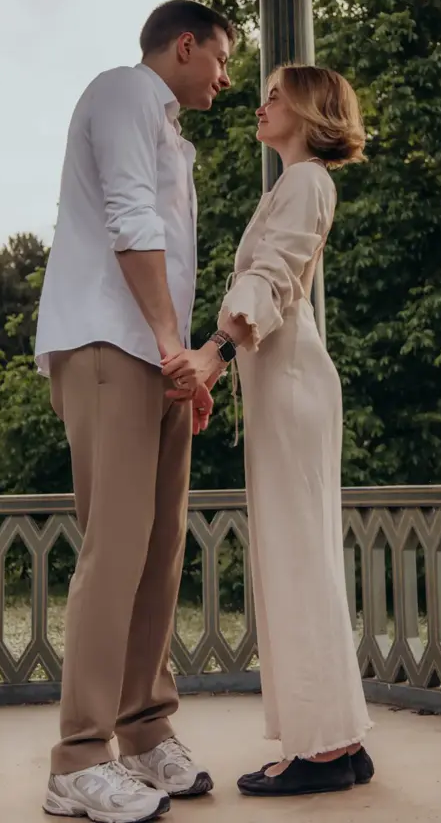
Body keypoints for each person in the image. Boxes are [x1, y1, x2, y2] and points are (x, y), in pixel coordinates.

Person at [35, 0, 235, 823]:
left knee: (158, 551)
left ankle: (146, 730)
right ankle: (79, 759)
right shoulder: (122, 91)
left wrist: (182, 367)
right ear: (184, 46)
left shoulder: (172, 135)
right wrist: (168, 345)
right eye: (221, 58)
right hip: (107, 345)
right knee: (115, 550)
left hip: (154, 358)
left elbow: (167, 253)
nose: (227, 77)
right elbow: (128, 219)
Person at [162, 64, 375, 798]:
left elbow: (274, 278)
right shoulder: (295, 184)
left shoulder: (306, 181)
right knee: (301, 556)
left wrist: (213, 354)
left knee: (296, 559)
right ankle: (339, 739)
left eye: (276, 95)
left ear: (311, 110)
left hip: (289, 386)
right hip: (283, 384)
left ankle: (322, 751)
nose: (261, 104)